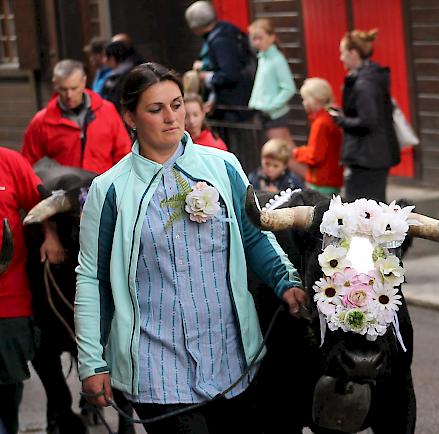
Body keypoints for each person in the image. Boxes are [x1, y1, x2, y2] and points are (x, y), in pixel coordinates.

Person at [75, 62, 307, 434]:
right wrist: (91, 362)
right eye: (156, 109)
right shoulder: (110, 190)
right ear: (130, 117)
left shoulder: (224, 166)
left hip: (233, 359)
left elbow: (253, 236)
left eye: (177, 104)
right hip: (157, 367)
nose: (171, 117)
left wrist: (286, 281)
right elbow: (92, 278)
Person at [0, 147, 64, 434]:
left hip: (8, 302)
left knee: (7, 389)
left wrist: (50, 236)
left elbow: (42, 205)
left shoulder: (10, 162)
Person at [21, 59, 131, 174]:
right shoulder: (41, 122)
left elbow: (124, 155)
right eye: (63, 89)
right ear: (55, 85)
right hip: (62, 189)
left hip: (102, 188)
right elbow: (28, 165)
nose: (69, 95)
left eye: (74, 88)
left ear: (84, 82)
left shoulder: (107, 111)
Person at [332, 29, 400, 203]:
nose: (341, 58)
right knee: (375, 204)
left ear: (353, 53)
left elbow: (368, 120)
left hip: (367, 157)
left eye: (343, 53)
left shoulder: (364, 84)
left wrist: (340, 120)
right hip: (374, 154)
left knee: (363, 207)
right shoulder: (373, 77)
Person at [185, 1, 253, 121]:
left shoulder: (220, 41)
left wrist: (206, 77)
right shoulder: (225, 29)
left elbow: (230, 73)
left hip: (233, 105)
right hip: (239, 100)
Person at [247, 19, 296, 148]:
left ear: (271, 37)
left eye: (260, 38)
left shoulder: (277, 59)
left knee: (281, 154)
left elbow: (289, 88)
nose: (256, 42)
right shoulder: (263, 57)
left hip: (275, 115)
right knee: (283, 151)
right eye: (254, 38)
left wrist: (270, 107)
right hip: (266, 114)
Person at [293, 78, 343, 196]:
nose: (303, 103)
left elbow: (315, 156)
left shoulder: (320, 123)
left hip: (321, 180)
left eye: (305, 99)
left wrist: (298, 152)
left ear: (314, 100)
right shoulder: (333, 116)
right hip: (333, 177)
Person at [101, 41, 140, 112]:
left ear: (112, 58)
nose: (104, 61)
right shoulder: (112, 75)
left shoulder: (129, 77)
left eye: (106, 57)